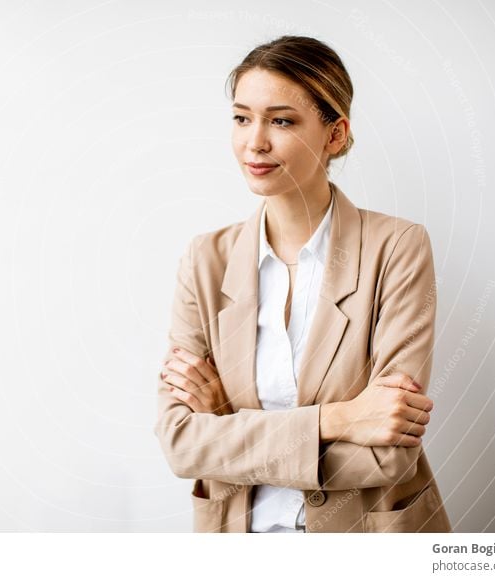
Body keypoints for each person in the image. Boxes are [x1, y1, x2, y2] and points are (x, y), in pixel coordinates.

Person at [153, 35, 451, 533]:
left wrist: (227, 427)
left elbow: (389, 456)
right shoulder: (205, 259)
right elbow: (182, 444)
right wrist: (340, 421)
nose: (255, 142)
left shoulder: (397, 247)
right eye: (242, 117)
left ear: (335, 135)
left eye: (282, 120)